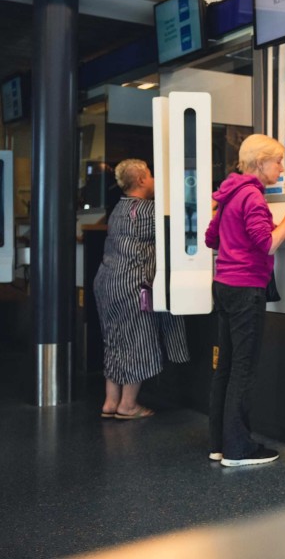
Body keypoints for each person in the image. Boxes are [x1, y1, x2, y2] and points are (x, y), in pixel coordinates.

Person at [205, 134, 285, 467]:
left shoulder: (230, 193)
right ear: (260, 162)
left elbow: (212, 238)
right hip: (246, 288)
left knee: (226, 367)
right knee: (243, 370)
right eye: (277, 161)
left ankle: (219, 443)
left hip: (223, 285)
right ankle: (238, 449)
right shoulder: (252, 196)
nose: (281, 167)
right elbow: (266, 244)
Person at [94, 159, 189, 420]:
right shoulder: (148, 211)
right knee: (137, 341)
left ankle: (110, 402)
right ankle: (128, 405)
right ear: (141, 180)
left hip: (106, 282)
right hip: (131, 285)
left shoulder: (118, 209)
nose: (154, 179)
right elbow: (181, 224)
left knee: (113, 342)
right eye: (151, 174)